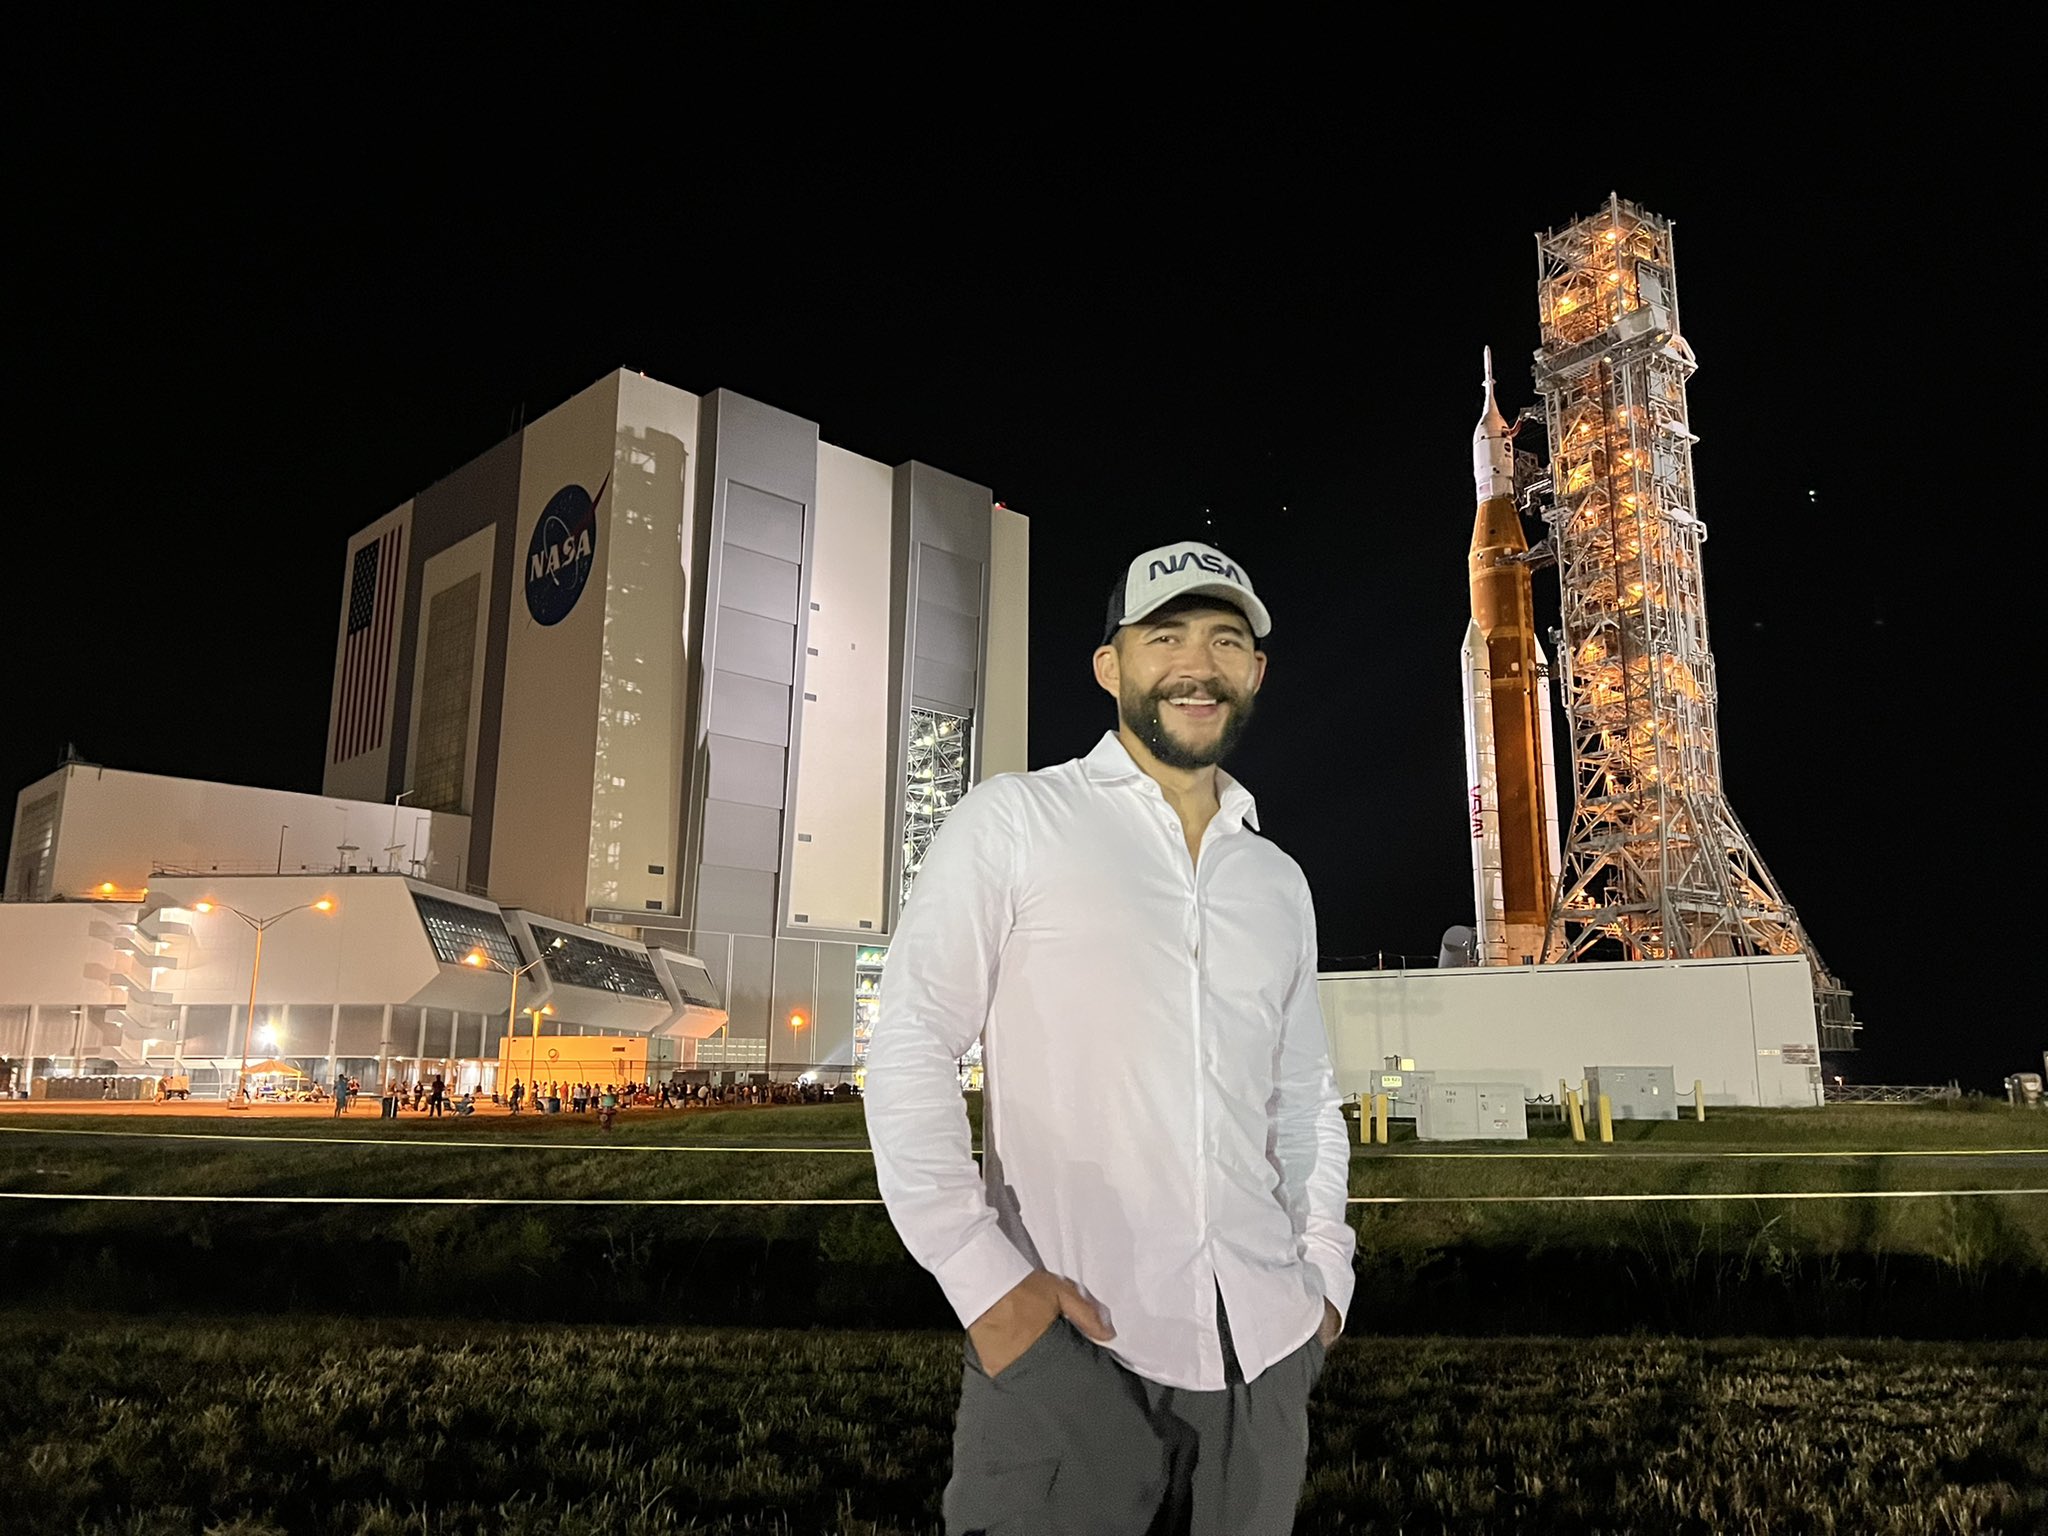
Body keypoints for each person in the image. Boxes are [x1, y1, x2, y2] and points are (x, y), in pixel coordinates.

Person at [867, 541, 1353, 1536]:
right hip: (1072, 1354)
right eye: (1163, 635)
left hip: (1263, 1362)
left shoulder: (1276, 882)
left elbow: (1302, 1100)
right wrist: (982, 1283)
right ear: (1110, 666)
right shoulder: (1014, 823)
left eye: (1225, 640)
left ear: (1253, 672)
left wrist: (1324, 1283)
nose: (1195, 663)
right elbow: (911, 1040)